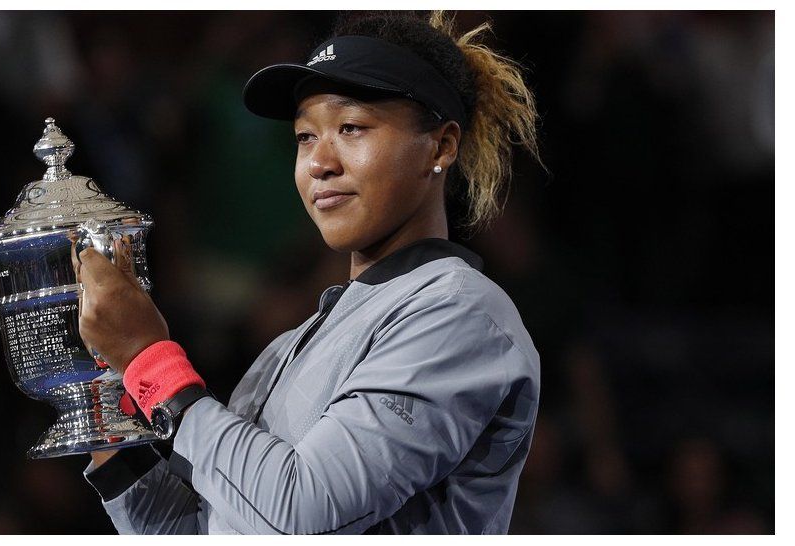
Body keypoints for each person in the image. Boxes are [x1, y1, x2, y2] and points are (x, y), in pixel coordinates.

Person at [73, 11, 542, 534]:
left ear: (441, 145)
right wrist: (107, 397)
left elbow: (304, 513)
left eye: (351, 128)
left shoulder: (458, 313)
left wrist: (150, 361)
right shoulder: (284, 351)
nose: (319, 162)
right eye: (304, 136)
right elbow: (203, 531)